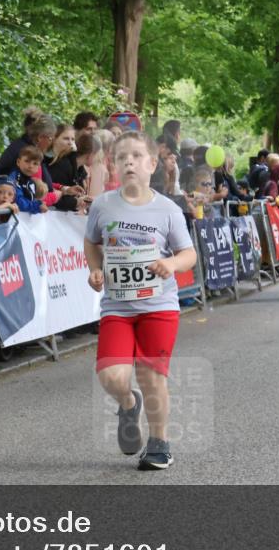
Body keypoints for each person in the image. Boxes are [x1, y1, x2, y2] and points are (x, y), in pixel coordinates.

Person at [84, 131, 197, 471]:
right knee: (112, 376)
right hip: (117, 307)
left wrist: (171, 264)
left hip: (158, 308)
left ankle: (159, 442)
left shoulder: (167, 209)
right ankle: (127, 404)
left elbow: (188, 253)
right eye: (122, 157)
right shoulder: (103, 205)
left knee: (151, 376)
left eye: (136, 156)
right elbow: (91, 242)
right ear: (113, 166)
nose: (129, 161)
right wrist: (95, 269)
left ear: (152, 164)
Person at [47, 124, 88, 212]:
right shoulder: (47, 159)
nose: (70, 142)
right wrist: (74, 202)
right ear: (54, 138)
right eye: (66, 138)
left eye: (72, 139)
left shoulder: (68, 160)